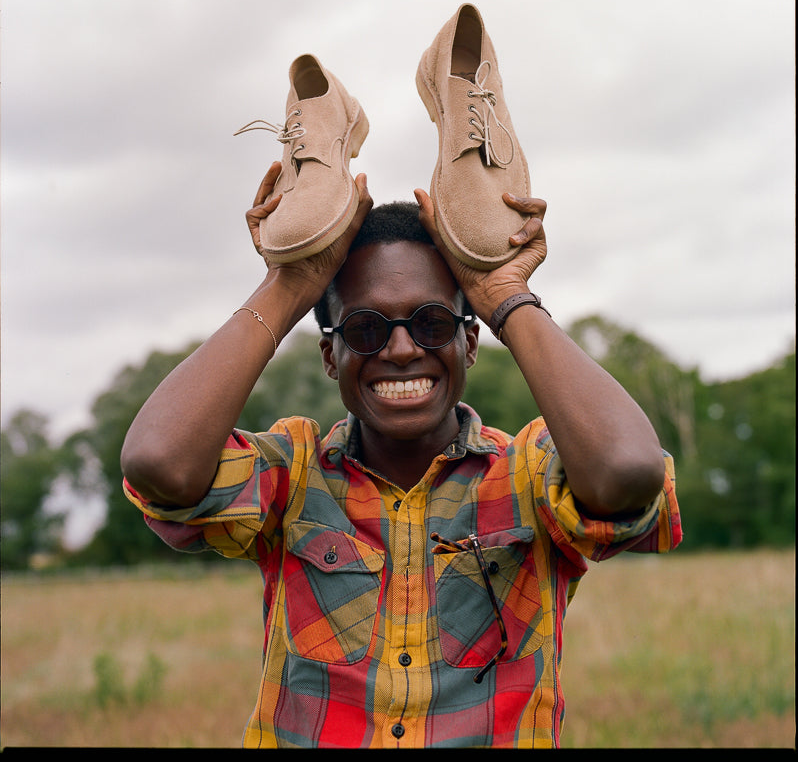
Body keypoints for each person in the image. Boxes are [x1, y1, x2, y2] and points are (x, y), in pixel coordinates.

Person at [121, 166, 682, 748]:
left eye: (432, 322)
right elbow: (162, 465)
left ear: (470, 341)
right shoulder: (293, 474)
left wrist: (505, 296)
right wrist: (288, 286)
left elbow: (627, 474)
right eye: (364, 329)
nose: (401, 348)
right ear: (330, 356)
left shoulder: (530, 473)